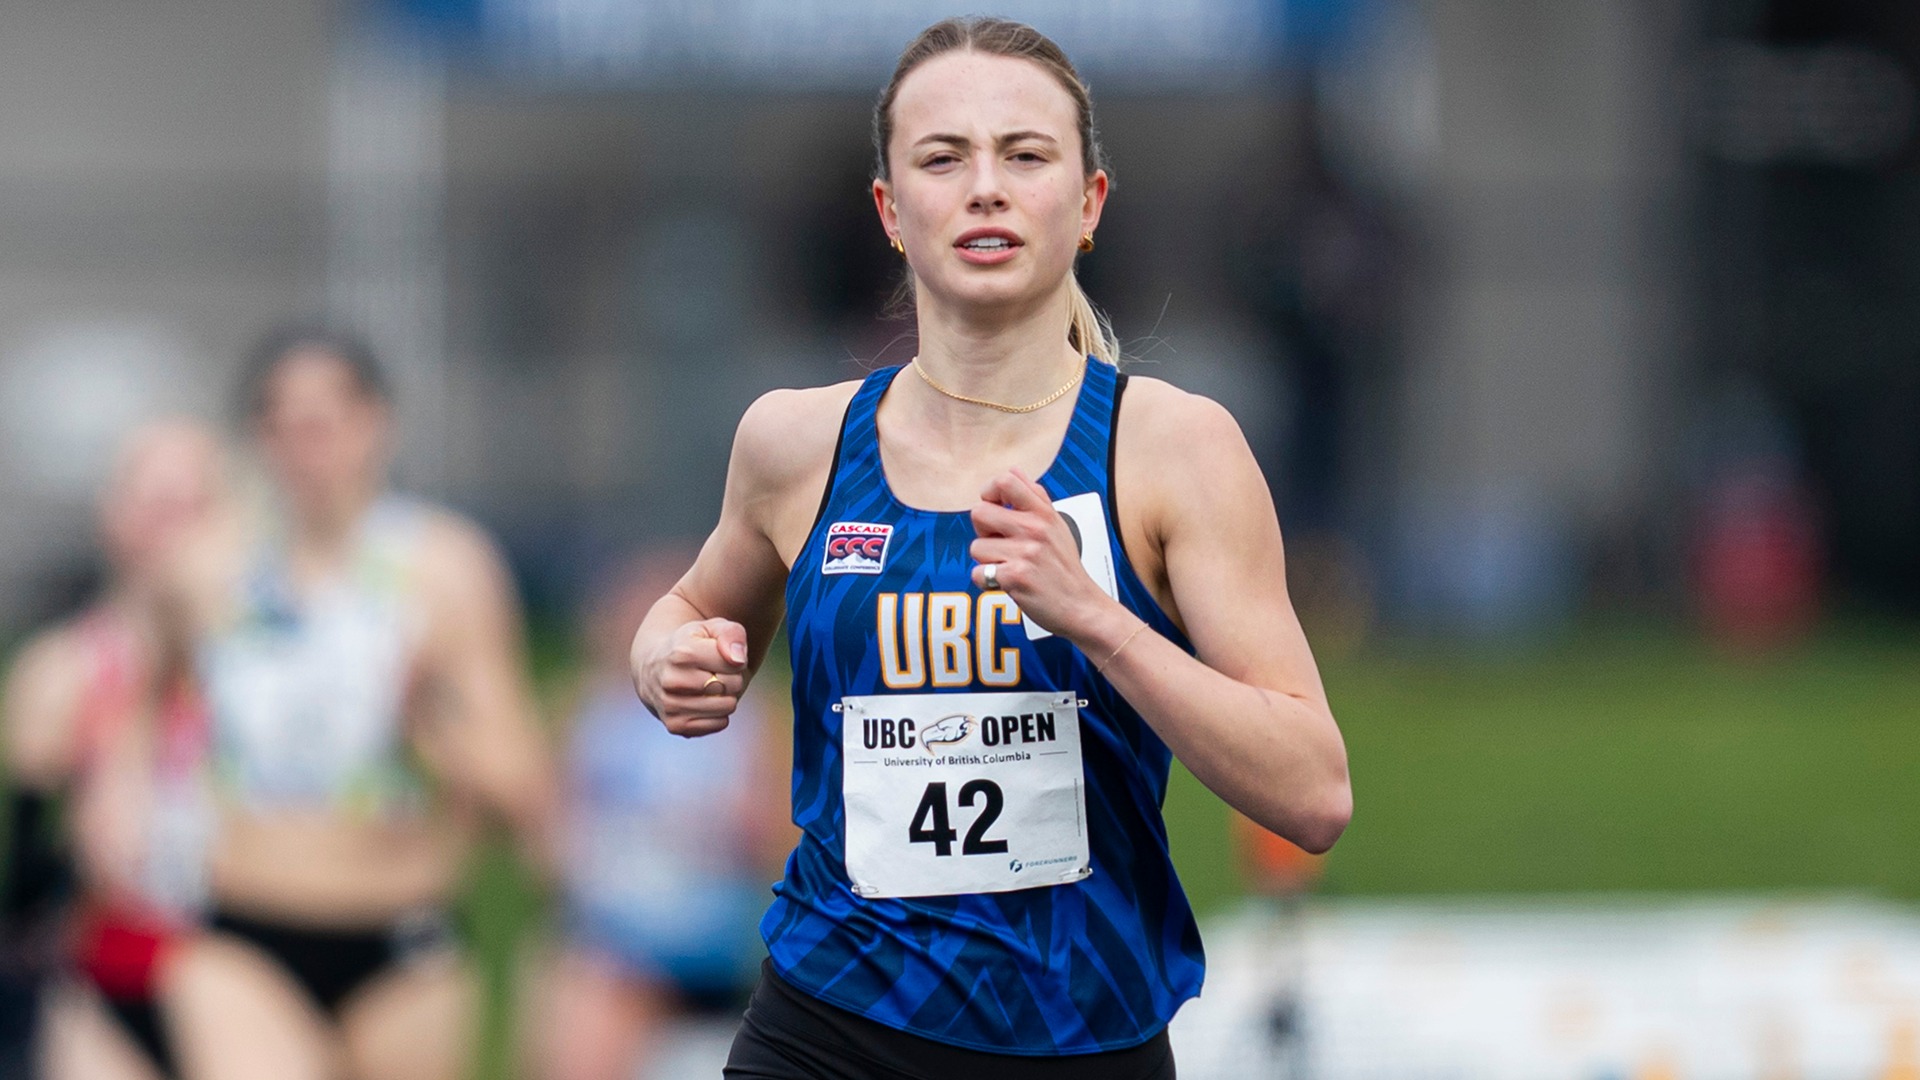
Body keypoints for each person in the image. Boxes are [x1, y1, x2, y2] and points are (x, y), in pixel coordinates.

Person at [628, 17, 1353, 1078]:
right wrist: (665, 663)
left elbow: (1315, 792)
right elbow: (690, 610)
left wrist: (1100, 621)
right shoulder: (796, 442)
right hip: (830, 1019)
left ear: (1090, 201)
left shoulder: (1170, 449)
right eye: (942, 157)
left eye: (1024, 155)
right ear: (889, 210)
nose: (984, 188)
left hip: (1078, 1031)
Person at [149, 325, 555, 1080]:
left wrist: (427, 722)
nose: (309, 448)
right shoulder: (202, 571)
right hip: (245, 929)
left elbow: (522, 786)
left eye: (328, 422)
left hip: (405, 940)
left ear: (377, 424)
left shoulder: (445, 569)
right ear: (256, 435)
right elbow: (140, 697)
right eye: (286, 425)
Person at [2, 420, 225, 1080]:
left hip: (239, 963)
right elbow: (28, 881)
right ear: (112, 515)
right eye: (153, 504)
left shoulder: (265, 665)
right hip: (108, 973)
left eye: (191, 506)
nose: (171, 528)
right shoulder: (61, 671)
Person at [531, 549, 792, 1080]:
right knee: (576, 1011)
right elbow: (544, 836)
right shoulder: (582, 710)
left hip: (717, 946)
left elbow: (792, 843)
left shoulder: (757, 718)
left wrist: (747, 826)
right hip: (615, 948)